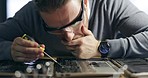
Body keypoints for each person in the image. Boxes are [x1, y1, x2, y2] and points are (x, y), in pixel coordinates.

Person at [0, 0, 148, 62]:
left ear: (85, 2)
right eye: (55, 30)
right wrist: (10, 51)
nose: (68, 36)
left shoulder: (110, 5)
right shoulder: (32, 12)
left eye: (75, 22)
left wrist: (102, 48)